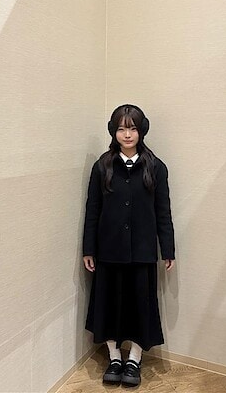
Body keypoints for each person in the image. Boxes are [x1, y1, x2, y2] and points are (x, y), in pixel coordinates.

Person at [82, 104, 175, 387]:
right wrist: (89, 248)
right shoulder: (103, 166)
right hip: (108, 250)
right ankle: (114, 357)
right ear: (114, 131)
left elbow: (163, 212)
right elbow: (92, 210)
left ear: (141, 130)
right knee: (108, 304)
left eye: (132, 128)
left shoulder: (156, 167)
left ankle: (134, 358)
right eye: (122, 128)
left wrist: (168, 250)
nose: (127, 134)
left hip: (142, 251)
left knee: (140, 306)